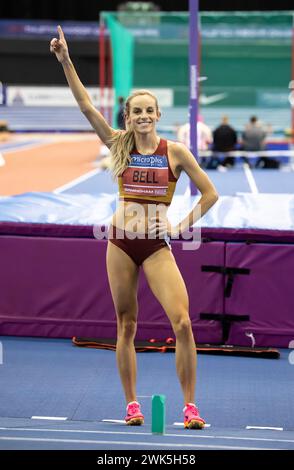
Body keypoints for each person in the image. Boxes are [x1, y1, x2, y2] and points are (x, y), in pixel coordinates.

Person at [50, 26, 218, 429]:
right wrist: (65, 60)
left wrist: (180, 225)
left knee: (182, 321)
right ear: (128, 117)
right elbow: (87, 105)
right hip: (121, 243)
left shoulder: (175, 152)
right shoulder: (119, 144)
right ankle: (131, 405)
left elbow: (209, 194)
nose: (143, 115)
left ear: (158, 115)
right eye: (136, 111)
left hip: (156, 244)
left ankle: (190, 407)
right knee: (126, 323)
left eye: (149, 110)